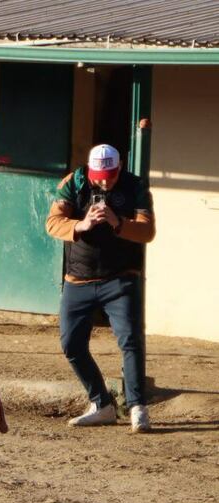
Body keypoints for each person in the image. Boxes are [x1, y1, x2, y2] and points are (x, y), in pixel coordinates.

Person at [46, 144, 156, 432]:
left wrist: (118, 222)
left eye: (110, 175)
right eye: (99, 176)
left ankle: (137, 407)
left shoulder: (134, 187)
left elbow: (147, 230)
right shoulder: (75, 182)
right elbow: (52, 223)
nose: (104, 182)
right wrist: (81, 225)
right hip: (78, 279)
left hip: (120, 278)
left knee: (130, 340)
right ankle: (101, 404)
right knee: (71, 344)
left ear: (119, 168)